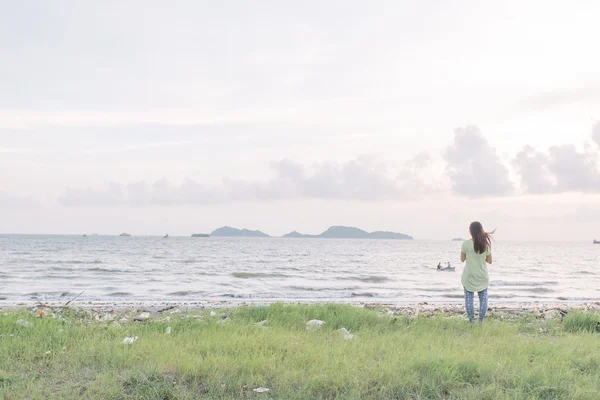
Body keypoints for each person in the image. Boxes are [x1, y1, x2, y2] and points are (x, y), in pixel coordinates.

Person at [460, 221, 493, 323]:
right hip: (482, 276)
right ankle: (480, 322)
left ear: (470, 231)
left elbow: (462, 259)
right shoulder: (486, 244)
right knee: (483, 300)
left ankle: (471, 322)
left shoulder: (465, 244)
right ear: (481, 230)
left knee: (469, 300)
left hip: (469, 276)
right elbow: (490, 261)